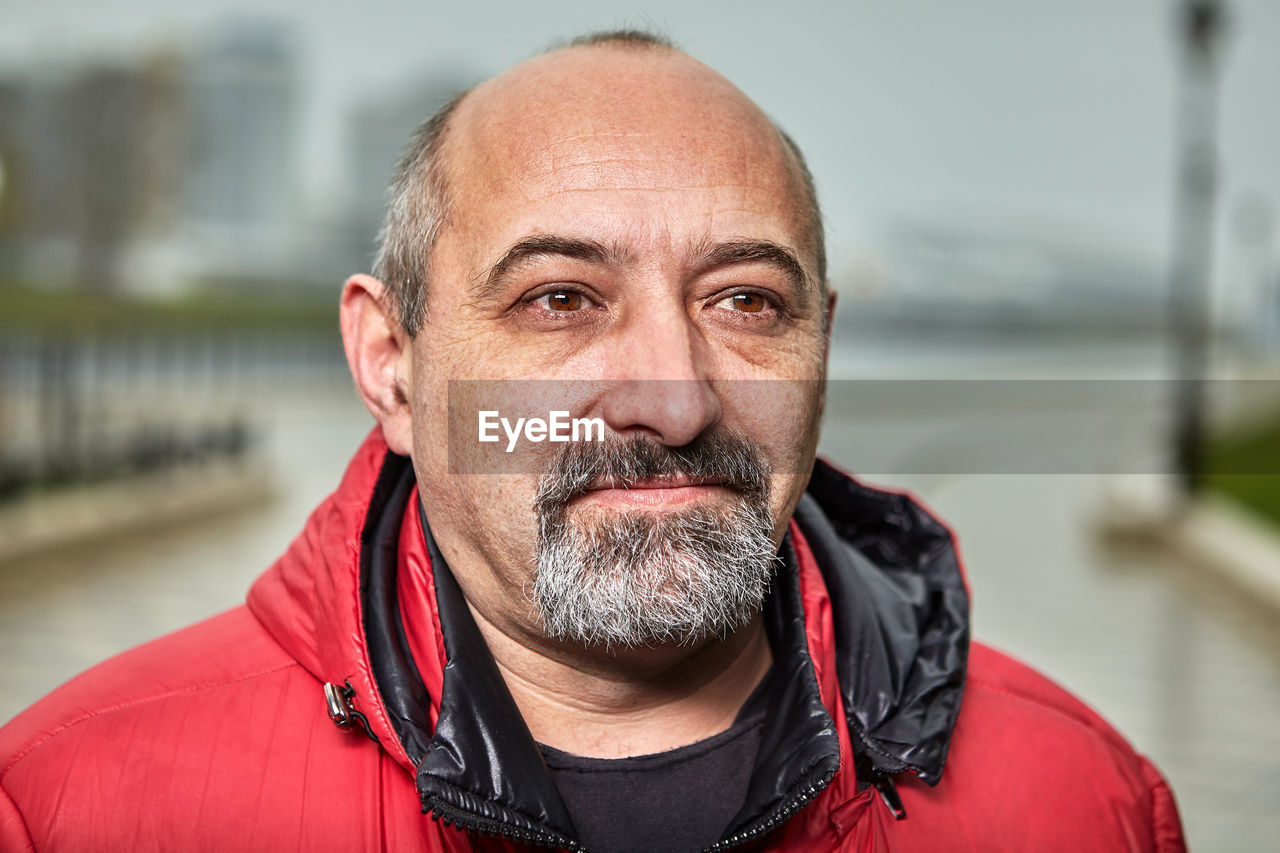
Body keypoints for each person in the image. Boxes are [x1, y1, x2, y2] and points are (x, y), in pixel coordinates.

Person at [0, 31, 1185, 853]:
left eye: (745, 303)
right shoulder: (69, 805)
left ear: (820, 350)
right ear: (389, 362)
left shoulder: (1085, 801)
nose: (671, 403)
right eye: (560, 299)